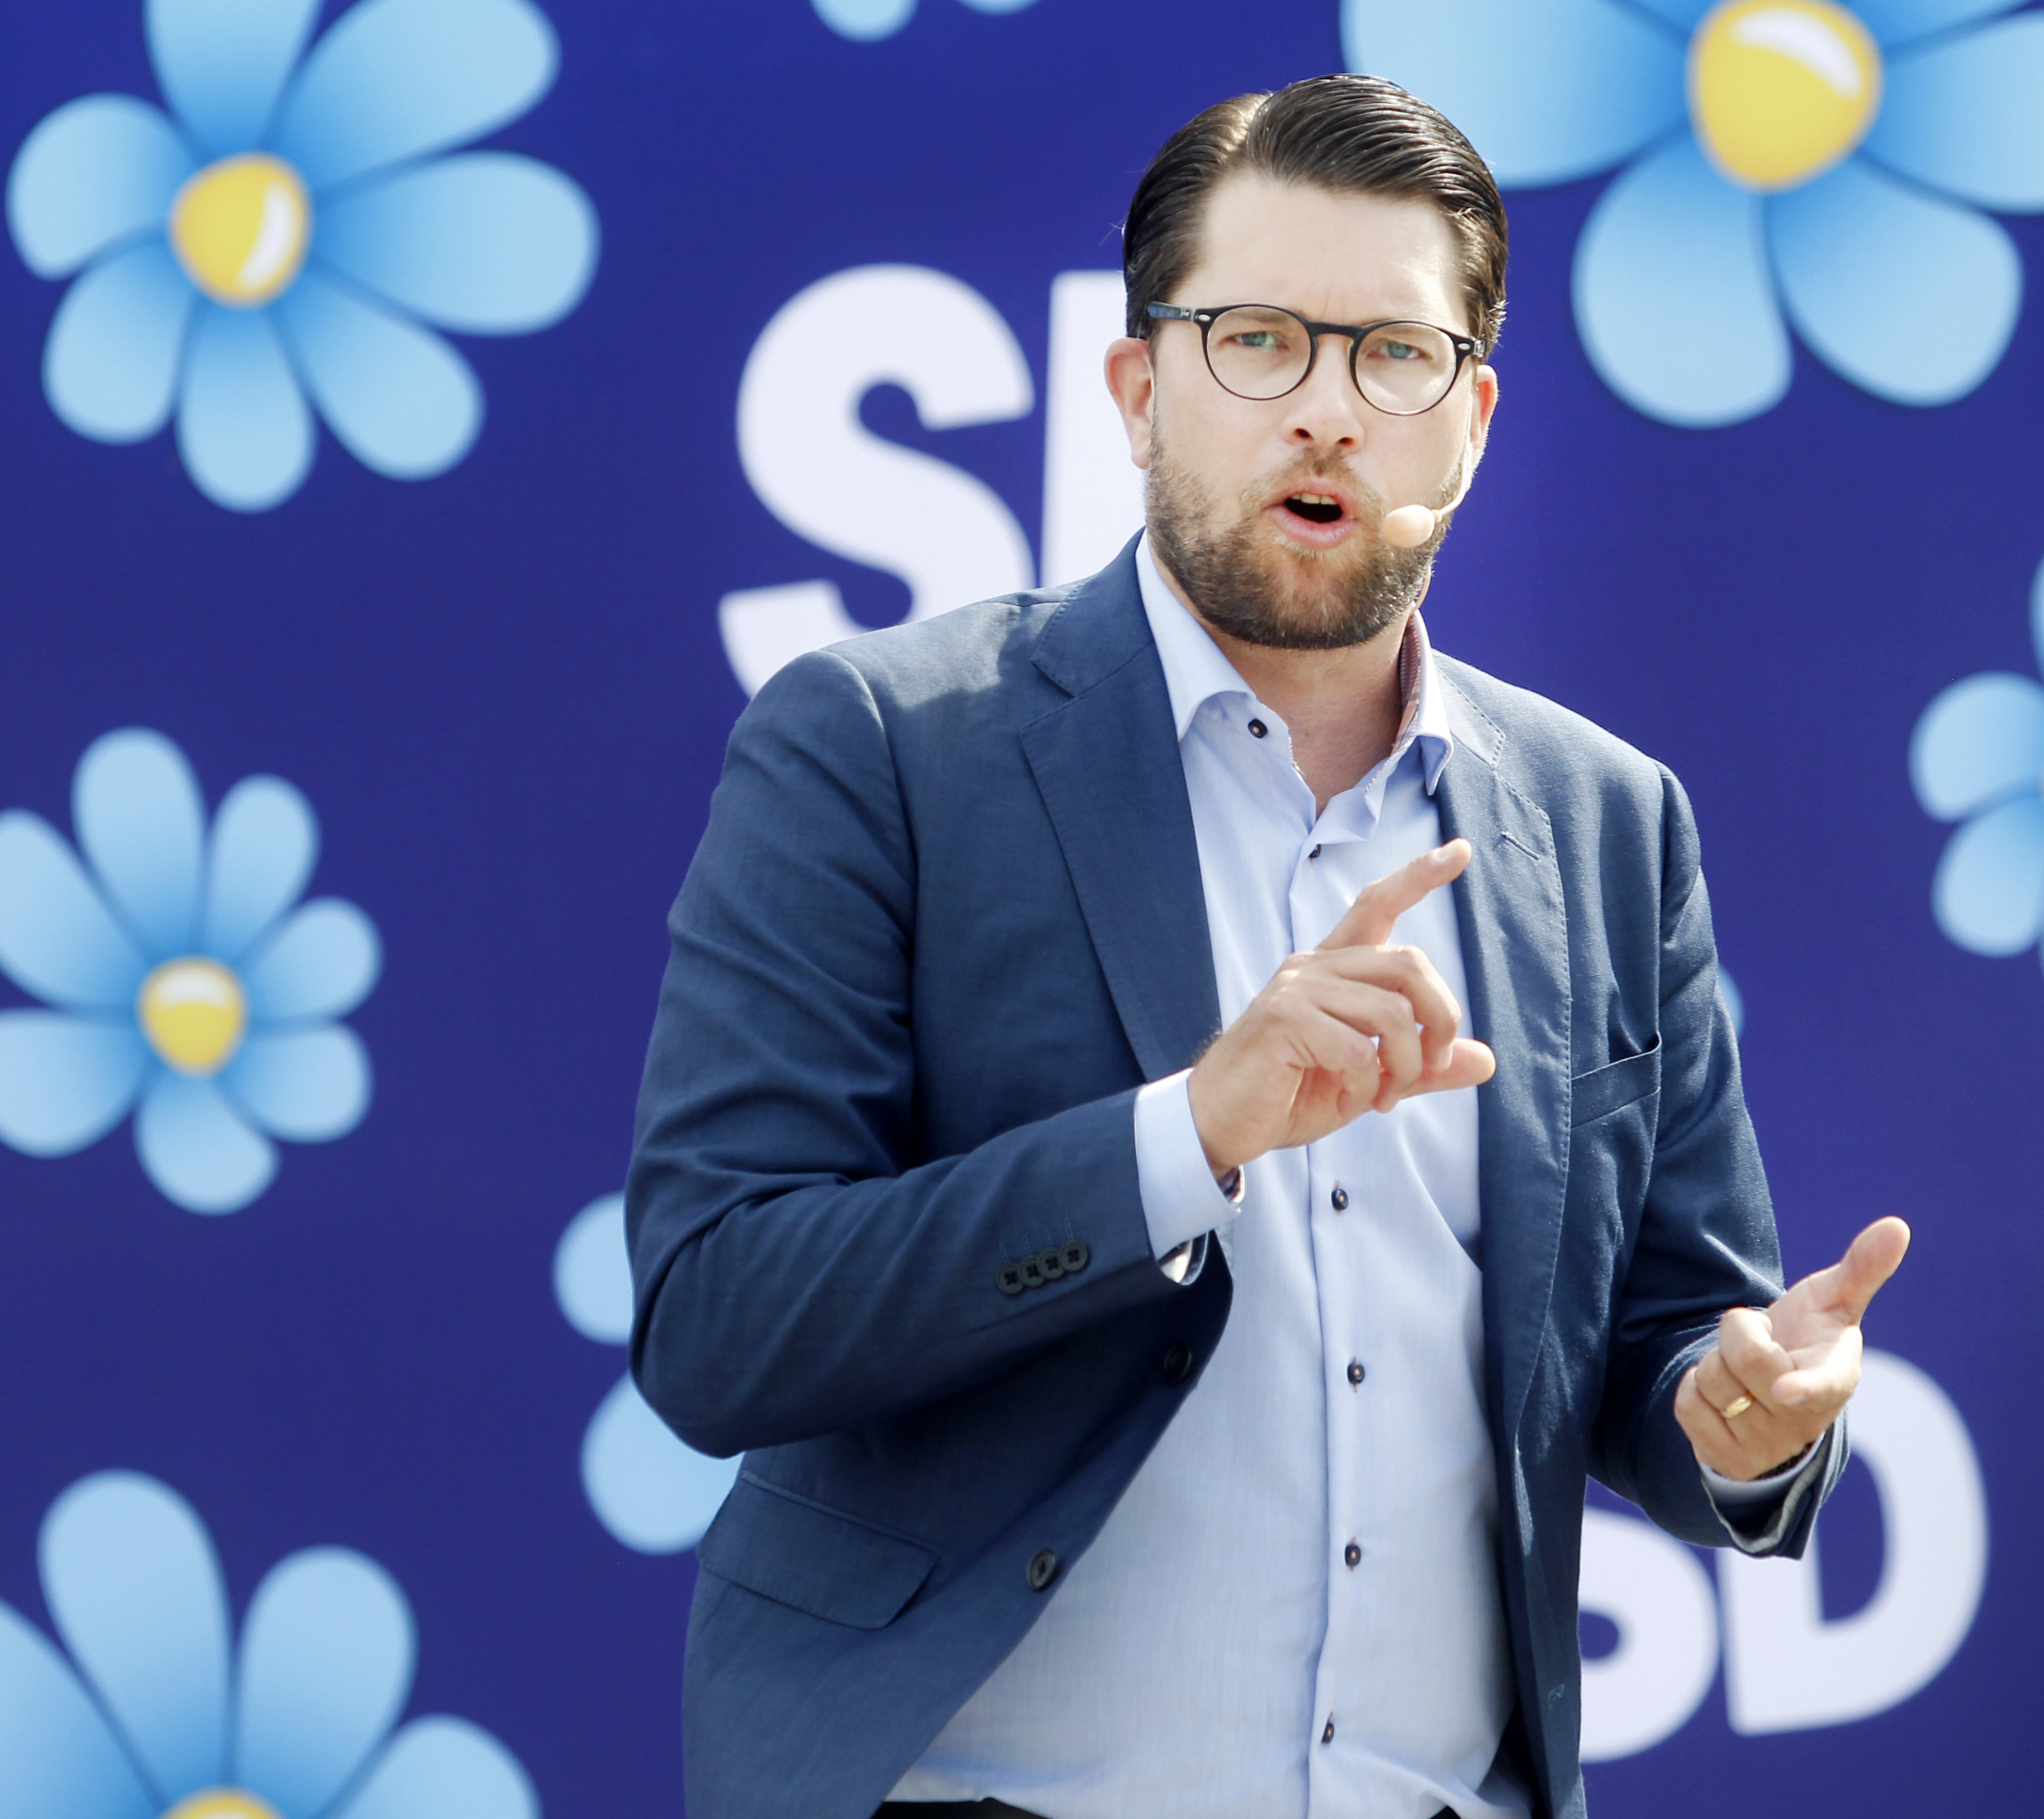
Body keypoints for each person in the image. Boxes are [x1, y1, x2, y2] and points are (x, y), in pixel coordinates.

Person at [624, 73, 1909, 1819]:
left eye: (1394, 356)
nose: (1327, 412)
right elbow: (722, 1320)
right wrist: (1189, 1138)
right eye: (1257, 343)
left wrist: (1741, 1415)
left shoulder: (1609, 820)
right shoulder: (879, 742)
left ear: (1471, 423)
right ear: (1138, 389)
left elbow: (1670, 1329)